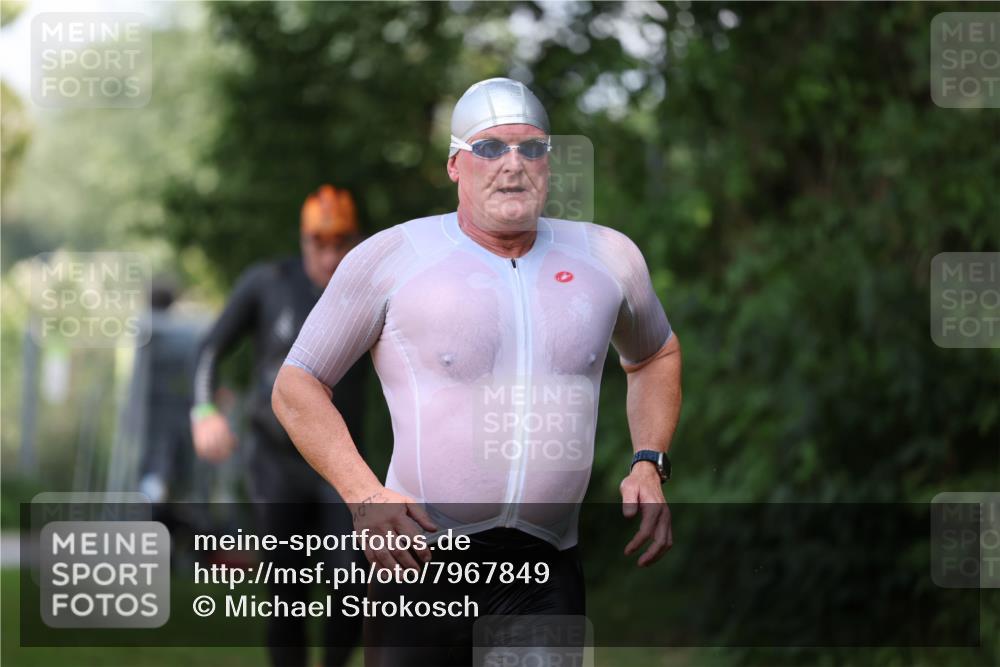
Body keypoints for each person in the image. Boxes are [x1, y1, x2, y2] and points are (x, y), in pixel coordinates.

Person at [273, 78, 682, 665]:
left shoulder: (608, 258)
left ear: (550, 163)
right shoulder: (394, 258)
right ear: (455, 165)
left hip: (545, 571)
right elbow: (297, 385)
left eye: (531, 148)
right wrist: (364, 495)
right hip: (417, 563)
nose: (512, 165)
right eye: (490, 148)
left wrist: (649, 460)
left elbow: (655, 355)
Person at [191, 185, 369, 667]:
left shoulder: (368, 291)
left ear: (356, 241)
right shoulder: (269, 282)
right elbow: (210, 349)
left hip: (338, 464)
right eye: (320, 243)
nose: (330, 256)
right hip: (275, 460)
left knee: (352, 579)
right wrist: (204, 413)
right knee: (286, 588)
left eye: (341, 243)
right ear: (303, 240)